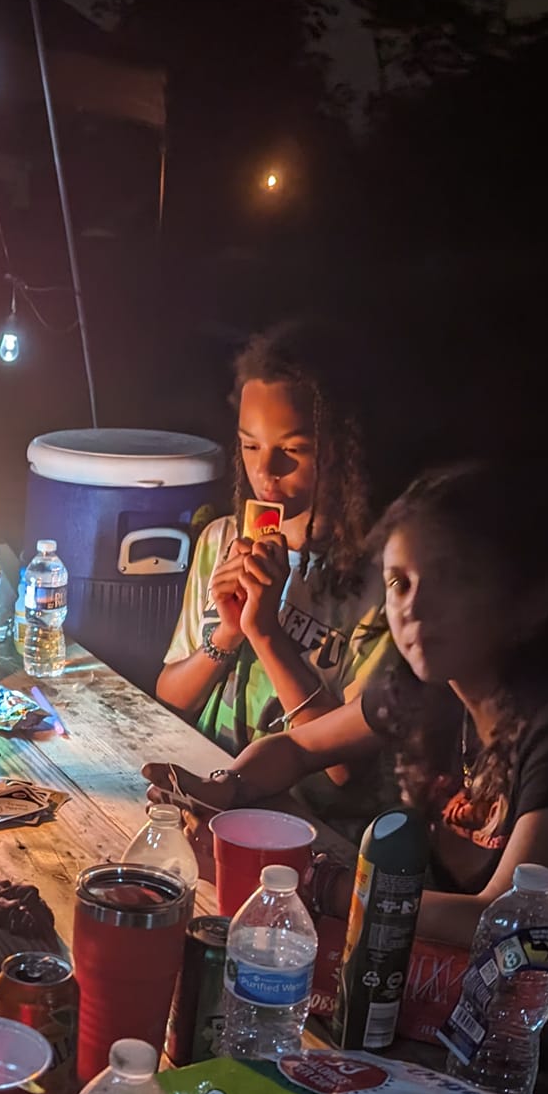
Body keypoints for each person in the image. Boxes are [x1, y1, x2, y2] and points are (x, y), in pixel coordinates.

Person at [145, 460, 548, 992]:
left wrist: (319, 884)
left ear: (532, 600)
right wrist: (224, 787)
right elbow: (293, 748)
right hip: (468, 986)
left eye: (451, 579)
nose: (414, 607)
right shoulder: (430, 687)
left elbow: (502, 919)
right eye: (399, 582)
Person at [156, 321, 393, 829]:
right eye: (250, 446)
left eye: (294, 450)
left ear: (339, 448)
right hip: (207, 795)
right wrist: (226, 632)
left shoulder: (383, 580)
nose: (267, 471)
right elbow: (172, 695)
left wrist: (265, 635)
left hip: (310, 828)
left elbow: (344, 769)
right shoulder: (222, 541)